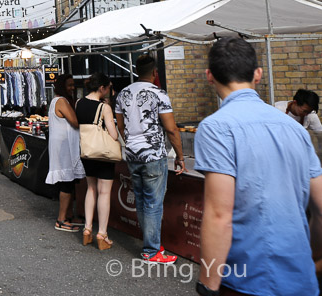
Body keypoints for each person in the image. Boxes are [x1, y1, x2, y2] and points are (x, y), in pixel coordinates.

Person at [195, 37, 322, 296]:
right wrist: (307, 261)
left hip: (247, 278)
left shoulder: (215, 127)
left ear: (209, 76)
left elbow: (219, 215)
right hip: (301, 276)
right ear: (258, 74)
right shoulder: (294, 129)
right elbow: (320, 209)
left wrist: (208, 286)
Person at [114, 54, 186, 264]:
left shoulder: (123, 93)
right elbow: (171, 129)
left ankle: (151, 243)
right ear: (155, 73)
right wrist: (180, 156)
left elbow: (120, 126)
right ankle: (151, 251)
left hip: (133, 154)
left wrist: (131, 143)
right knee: (153, 203)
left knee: (141, 200)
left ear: (137, 71)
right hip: (153, 154)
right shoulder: (159, 94)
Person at [75, 73, 119, 250]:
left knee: (91, 188)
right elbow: (114, 134)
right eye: (108, 87)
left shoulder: (79, 103)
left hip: (87, 151)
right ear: (102, 88)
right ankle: (102, 234)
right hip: (103, 153)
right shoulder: (104, 107)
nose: (109, 91)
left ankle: (87, 230)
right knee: (105, 192)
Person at [45, 73, 85, 232]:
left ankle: (69, 215)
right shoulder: (61, 101)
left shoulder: (62, 100)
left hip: (65, 146)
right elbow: (75, 122)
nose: (73, 88)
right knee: (66, 182)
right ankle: (61, 220)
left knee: (70, 180)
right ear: (62, 86)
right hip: (64, 148)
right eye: (69, 85)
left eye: (73, 85)